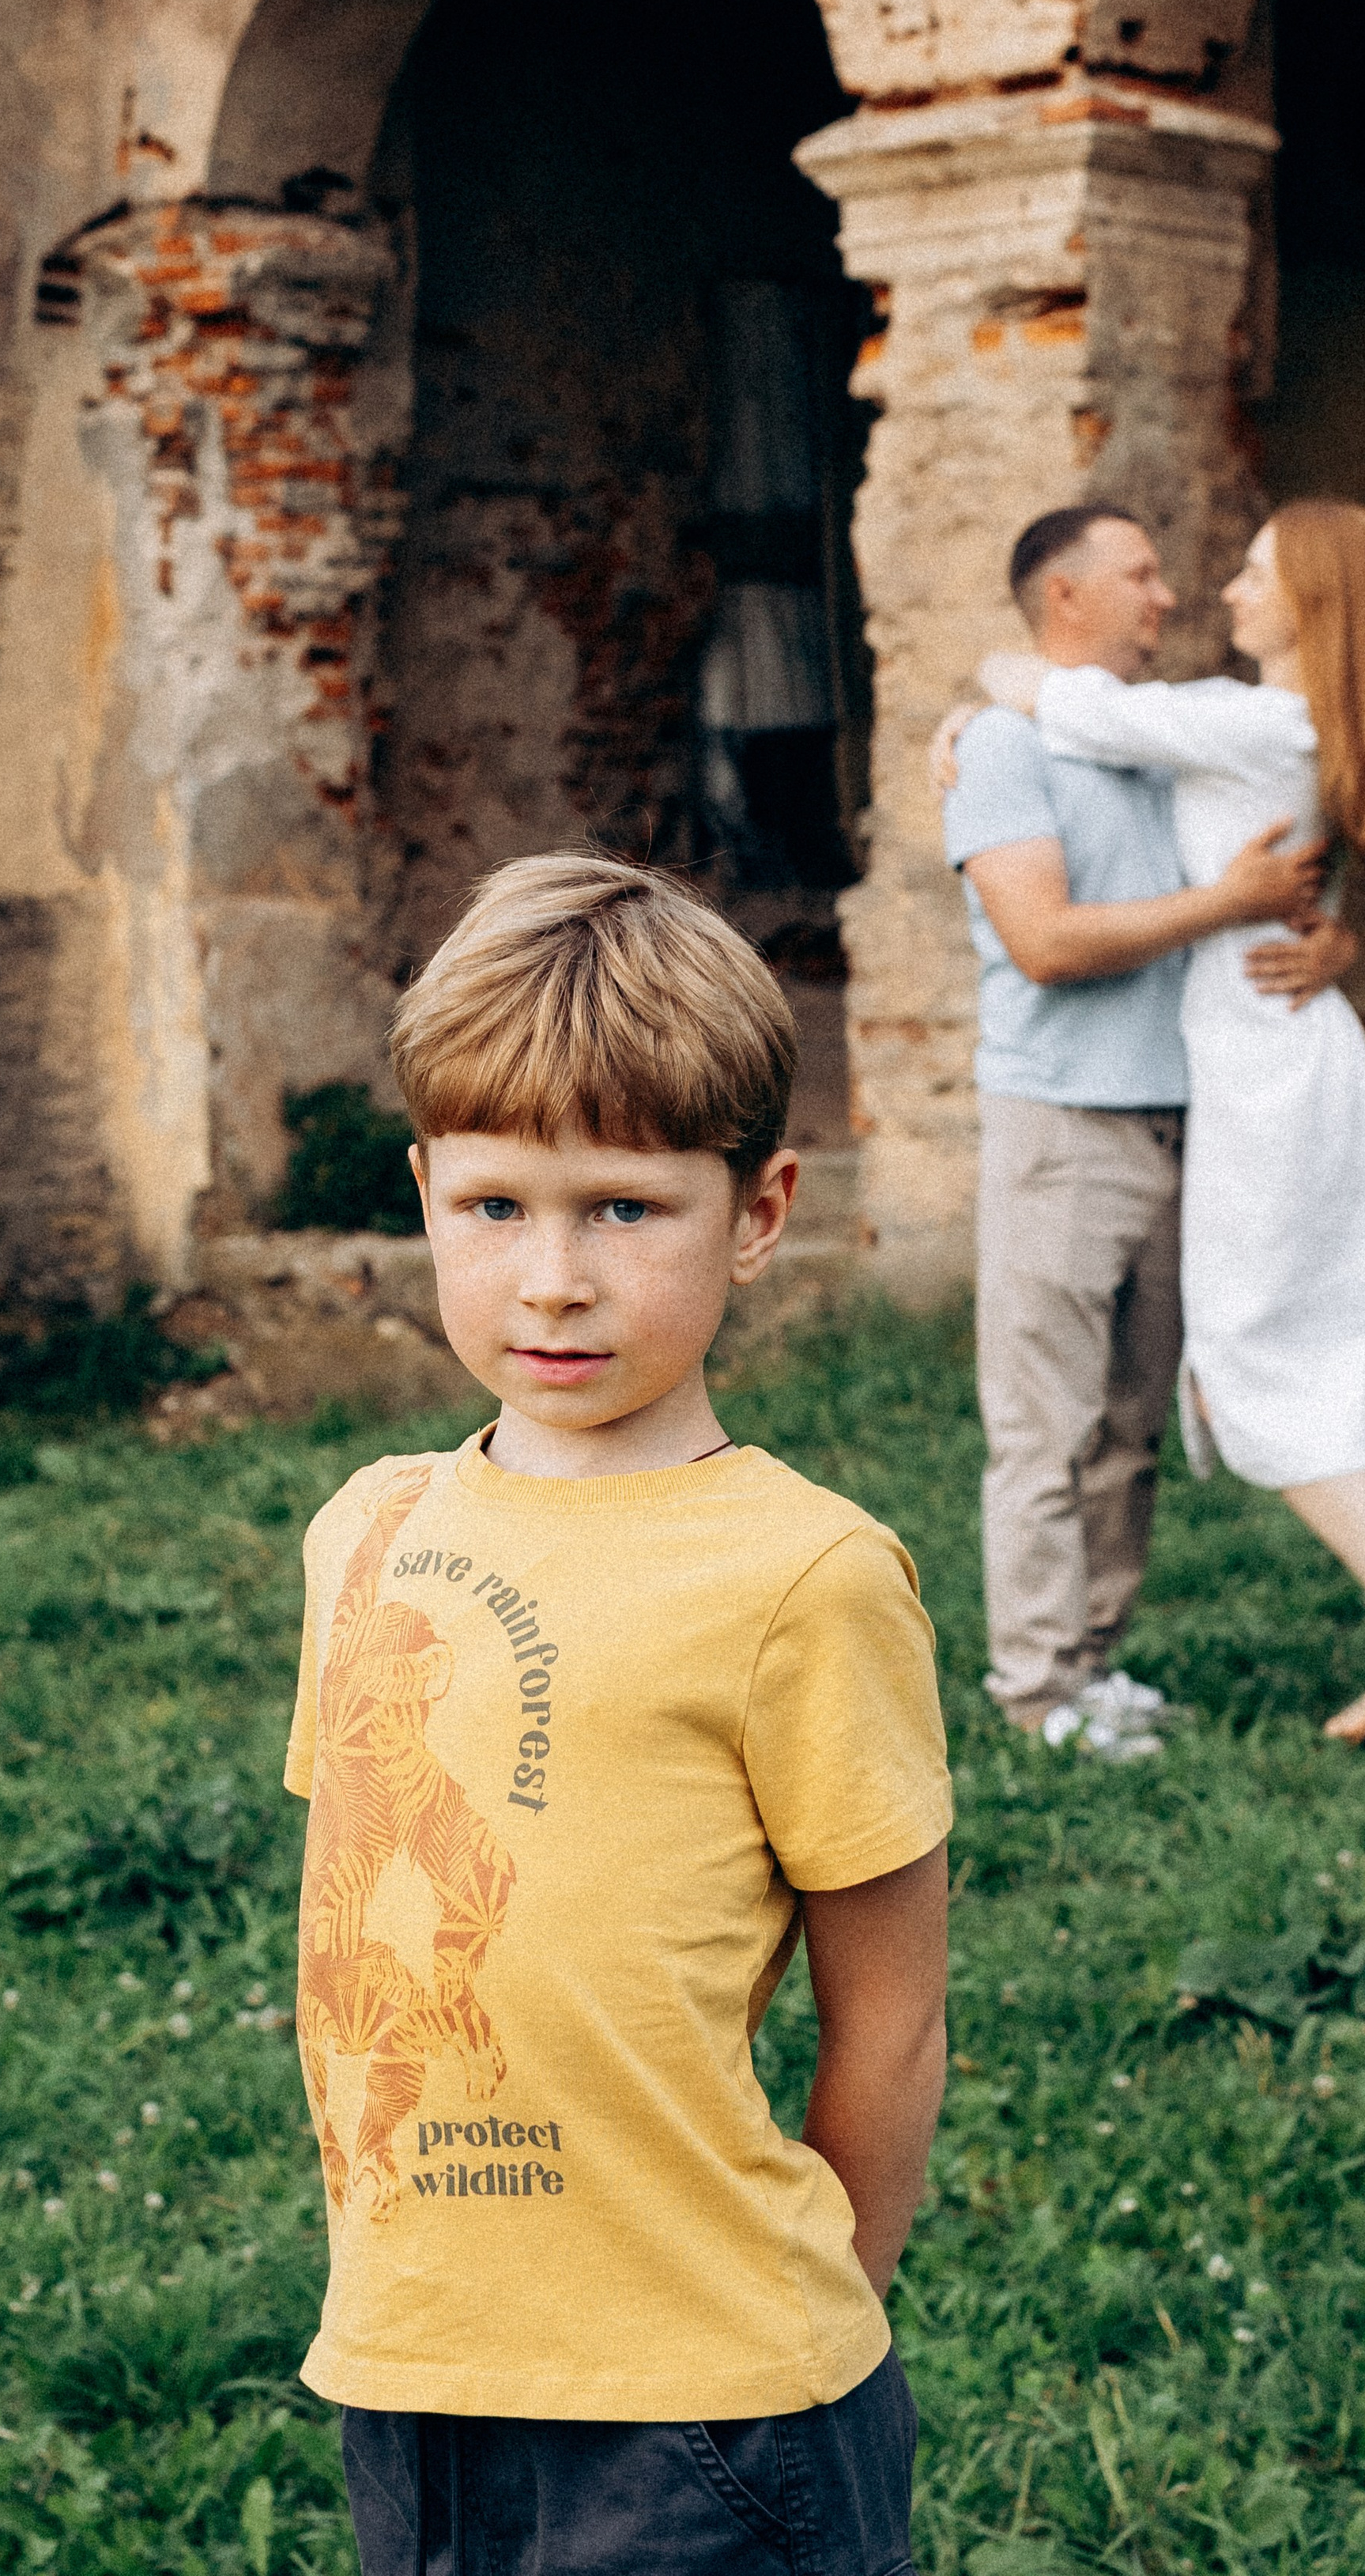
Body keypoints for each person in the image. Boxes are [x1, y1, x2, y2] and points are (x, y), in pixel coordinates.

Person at [283, 853, 953, 2576]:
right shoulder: (366, 1533)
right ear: (424, 1187)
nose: (551, 1280)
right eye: (494, 1207)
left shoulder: (805, 1577)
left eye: (623, 1210)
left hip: (710, 2416)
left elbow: (884, 2023)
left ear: (761, 1207)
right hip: (413, 2373)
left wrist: (800, 2328)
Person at [974, 500, 1365, 1746]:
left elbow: (1077, 705)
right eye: (1153, 574)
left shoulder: (1247, 724)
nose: (1212, 595)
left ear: (1312, 603)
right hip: (1301, 1054)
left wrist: (990, 678)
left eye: (1251, 574)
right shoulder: (1291, 729)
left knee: (1254, 1362)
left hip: (1261, 1072)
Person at [928, 506, 1354, 1755]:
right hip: (1063, 1123)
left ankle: (1095, 1666)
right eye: (1142, 576)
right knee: (1044, 1424)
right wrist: (1226, 899)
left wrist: (1327, 936)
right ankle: (1036, 1689)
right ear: (1064, 595)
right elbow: (1047, 944)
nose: (1169, 598)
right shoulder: (1005, 748)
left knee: (1130, 1419)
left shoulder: (1154, 739)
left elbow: (1282, 881)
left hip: (1190, 1121)